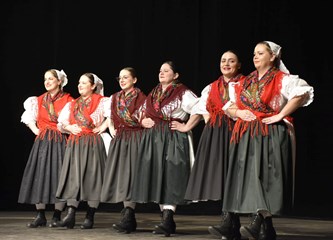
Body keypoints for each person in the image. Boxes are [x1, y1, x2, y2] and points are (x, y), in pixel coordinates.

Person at [221, 41, 314, 240]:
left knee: (267, 178)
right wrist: (240, 111)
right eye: (254, 53)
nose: (255, 57)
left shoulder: (282, 79)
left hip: (270, 133)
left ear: (272, 57)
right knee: (250, 179)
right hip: (247, 133)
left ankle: (258, 223)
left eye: (260, 53)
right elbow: (229, 106)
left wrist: (281, 114)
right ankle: (266, 228)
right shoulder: (246, 81)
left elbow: (302, 93)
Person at [170, 50, 245, 239]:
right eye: (223, 61)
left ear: (239, 65)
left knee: (237, 175)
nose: (226, 64)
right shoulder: (212, 87)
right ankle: (230, 222)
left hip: (238, 131)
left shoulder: (245, 83)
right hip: (216, 132)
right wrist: (203, 122)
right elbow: (202, 108)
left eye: (231, 61)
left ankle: (238, 222)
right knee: (224, 176)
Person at [129, 60, 199, 237]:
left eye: (166, 71)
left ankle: (168, 218)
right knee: (158, 175)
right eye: (160, 70)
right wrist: (143, 121)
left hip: (172, 137)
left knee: (171, 175)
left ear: (175, 75)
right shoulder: (154, 92)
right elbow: (140, 114)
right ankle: (166, 220)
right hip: (154, 138)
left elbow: (200, 108)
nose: (161, 73)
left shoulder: (183, 92)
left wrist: (186, 126)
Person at [18, 69, 74, 228]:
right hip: (43, 141)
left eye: (51, 79)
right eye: (45, 79)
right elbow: (29, 117)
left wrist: (64, 130)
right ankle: (40, 215)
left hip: (60, 140)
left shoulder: (68, 100)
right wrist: (36, 130)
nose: (47, 82)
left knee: (59, 176)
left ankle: (57, 215)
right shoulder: (39, 100)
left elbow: (70, 121)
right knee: (40, 175)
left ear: (59, 81)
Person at [55, 72, 110, 229]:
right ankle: (70, 215)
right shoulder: (72, 104)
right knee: (74, 178)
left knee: (92, 178)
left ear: (93, 86)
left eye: (84, 83)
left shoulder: (102, 101)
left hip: (92, 142)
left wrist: (103, 126)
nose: (80, 85)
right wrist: (69, 127)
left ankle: (90, 216)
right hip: (75, 143)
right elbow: (61, 122)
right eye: (79, 82)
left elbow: (113, 115)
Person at [99, 67, 146, 233]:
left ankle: (129, 215)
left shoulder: (142, 98)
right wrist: (113, 132)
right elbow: (110, 118)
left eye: (126, 77)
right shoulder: (114, 98)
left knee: (132, 175)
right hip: (120, 139)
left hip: (135, 138)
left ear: (134, 80)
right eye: (120, 77)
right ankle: (128, 215)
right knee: (123, 177)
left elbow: (144, 119)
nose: (122, 80)